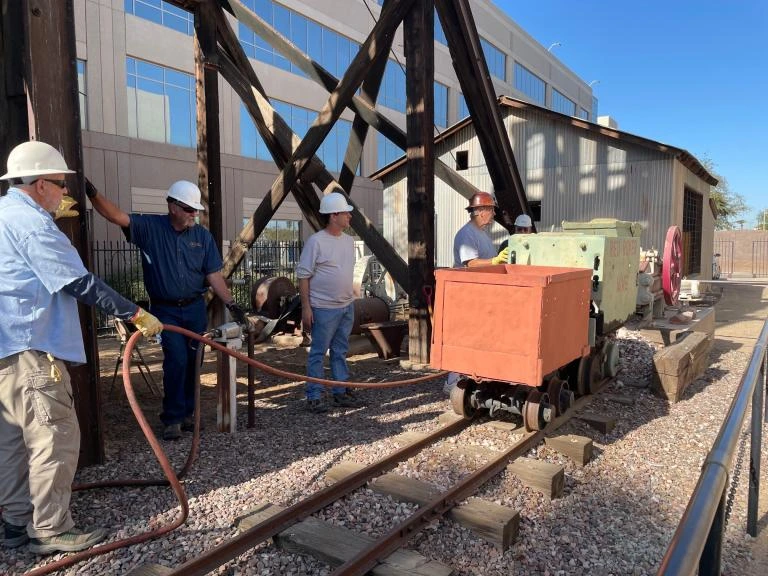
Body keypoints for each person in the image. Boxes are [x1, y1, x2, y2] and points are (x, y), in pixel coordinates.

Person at [0, 141, 162, 554]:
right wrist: (135, 314)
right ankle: (51, 529)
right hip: (34, 352)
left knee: (14, 444)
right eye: (59, 185)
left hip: (7, 352)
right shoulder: (34, 225)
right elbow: (79, 282)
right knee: (54, 439)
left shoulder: (4, 215)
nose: (63, 195)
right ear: (39, 185)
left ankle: (16, 524)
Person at [87, 179, 246, 440]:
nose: (194, 214)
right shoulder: (151, 228)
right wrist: (92, 193)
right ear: (172, 206)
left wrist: (231, 304)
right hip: (165, 310)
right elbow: (116, 216)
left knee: (194, 362)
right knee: (177, 361)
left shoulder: (202, 237)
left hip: (195, 309)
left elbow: (214, 275)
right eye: (189, 209)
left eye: (196, 210)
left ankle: (187, 414)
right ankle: (172, 418)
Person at [296, 191, 360, 414]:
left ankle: (339, 391)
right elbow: (303, 276)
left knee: (340, 350)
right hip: (323, 309)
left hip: (345, 306)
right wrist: (306, 308)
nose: (349, 217)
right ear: (334, 215)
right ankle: (314, 395)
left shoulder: (348, 241)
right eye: (346, 213)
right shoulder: (316, 242)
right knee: (318, 352)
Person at [453, 191, 509, 268]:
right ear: (480, 211)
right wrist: (495, 260)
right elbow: (471, 263)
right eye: (491, 210)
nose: (494, 213)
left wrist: (500, 261)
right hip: (471, 279)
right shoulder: (467, 234)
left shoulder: (481, 232)